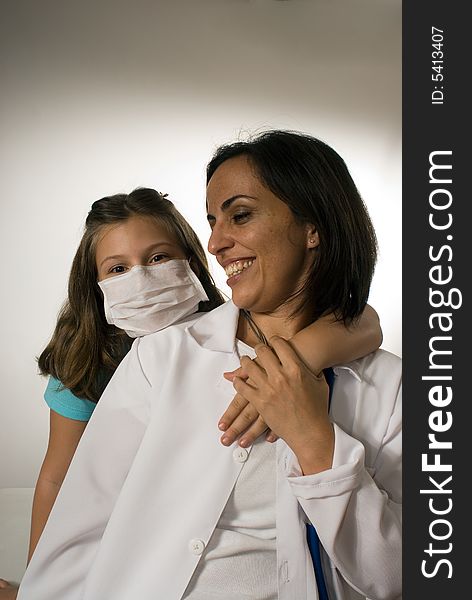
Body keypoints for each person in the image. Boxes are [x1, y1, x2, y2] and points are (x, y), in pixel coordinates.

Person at [16, 131, 401, 600]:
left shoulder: (392, 387)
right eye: (213, 222)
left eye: (240, 215)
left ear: (312, 226)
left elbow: (397, 576)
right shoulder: (161, 355)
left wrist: (312, 437)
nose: (217, 242)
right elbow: (80, 523)